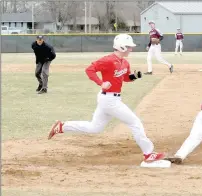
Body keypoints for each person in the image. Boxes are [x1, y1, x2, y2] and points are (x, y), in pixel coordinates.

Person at [47, 34, 165, 163]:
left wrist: (134, 76)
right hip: (109, 101)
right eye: (129, 47)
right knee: (135, 123)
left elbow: (124, 78)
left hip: (110, 100)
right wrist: (100, 83)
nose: (131, 49)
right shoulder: (108, 60)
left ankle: (62, 127)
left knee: (95, 128)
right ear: (121, 47)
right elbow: (90, 69)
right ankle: (148, 154)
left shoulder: (125, 62)